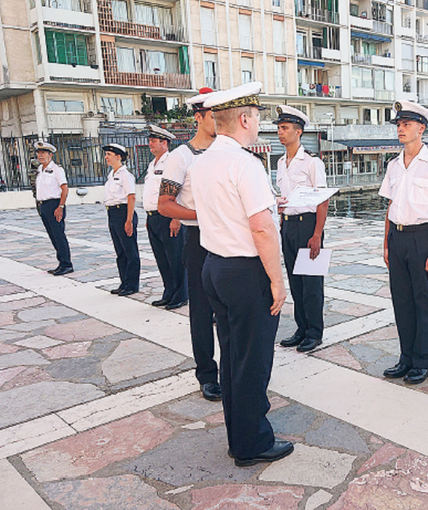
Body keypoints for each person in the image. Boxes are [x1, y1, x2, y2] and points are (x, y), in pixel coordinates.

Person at [192, 82, 292, 467]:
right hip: (245, 272)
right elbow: (262, 228)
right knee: (252, 361)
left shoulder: (203, 162)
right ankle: (252, 444)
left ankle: (239, 435)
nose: (260, 122)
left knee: (232, 357)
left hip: (214, 266)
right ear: (245, 118)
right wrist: (277, 281)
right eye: (258, 116)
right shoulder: (244, 163)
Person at [379, 100, 428, 385]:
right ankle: (406, 357)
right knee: (402, 300)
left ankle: (423, 361)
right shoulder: (394, 165)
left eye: (406, 124)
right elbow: (389, 206)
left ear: (421, 128)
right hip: (397, 238)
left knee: (423, 300)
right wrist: (386, 243)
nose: (400, 129)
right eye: (398, 124)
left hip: (421, 237)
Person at [158, 88, 221, 402]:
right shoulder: (181, 157)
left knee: (229, 309)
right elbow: (165, 205)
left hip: (227, 238)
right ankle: (207, 374)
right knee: (201, 309)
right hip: (197, 239)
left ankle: (233, 370)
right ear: (199, 117)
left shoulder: (226, 151)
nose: (220, 121)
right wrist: (202, 214)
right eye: (214, 116)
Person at [275, 105, 328, 353]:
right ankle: (301, 328)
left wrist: (317, 234)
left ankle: (314, 332)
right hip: (288, 226)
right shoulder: (280, 162)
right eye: (279, 128)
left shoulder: (312, 162)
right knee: (296, 282)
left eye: (285, 128)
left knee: (312, 284)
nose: (280, 132)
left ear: (298, 132)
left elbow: (322, 198)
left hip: (308, 226)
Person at [143, 124, 188, 310]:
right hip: (154, 217)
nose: (150, 144)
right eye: (150, 141)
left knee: (175, 258)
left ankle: (180, 295)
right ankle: (169, 292)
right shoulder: (152, 165)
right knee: (162, 258)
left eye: (154, 141)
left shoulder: (172, 162)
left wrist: (176, 218)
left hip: (169, 217)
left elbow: (180, 190)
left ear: (165, 142)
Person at [103, 143, 140, 296]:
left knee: (130, 250)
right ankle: (124, 282)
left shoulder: (126, 175)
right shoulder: (111, 175)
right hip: (112, 213)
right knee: (120, 251)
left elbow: (131, 197)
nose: (106, 157)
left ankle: (132, 284)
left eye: (109, 155)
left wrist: (129, 220)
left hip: (123, 212)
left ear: (118, 157)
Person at [34, 141, 73, 276]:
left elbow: (64, 188)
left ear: (50, 155)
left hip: (55, 204)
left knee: (59, 235)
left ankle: (67, 264)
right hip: (44, 205)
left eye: (43, 153)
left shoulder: (56, 169)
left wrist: (60, 206)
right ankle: (61, 262)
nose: (40, 155)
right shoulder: (40, 169)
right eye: (39, 153)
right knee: (53, 236)